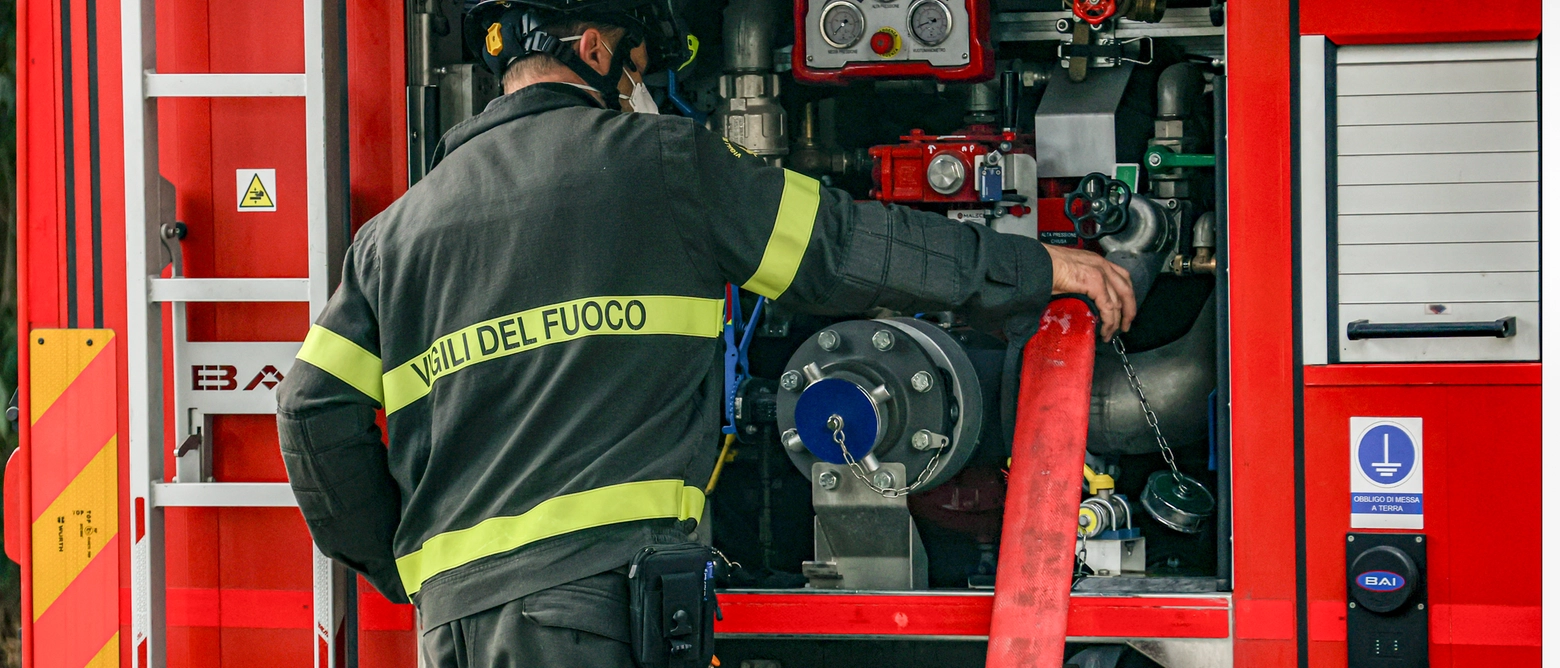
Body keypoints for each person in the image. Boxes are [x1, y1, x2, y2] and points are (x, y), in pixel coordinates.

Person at [275, 0, 1136, 665]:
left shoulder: (396, 233)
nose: (644, 82)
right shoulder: (661, 163)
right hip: (589, 614)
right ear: (595, 50)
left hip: (452, 628)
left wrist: (407, 568)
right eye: (641, 59)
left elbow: (310, 409)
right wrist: (1036, 270)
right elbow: (840, 248)